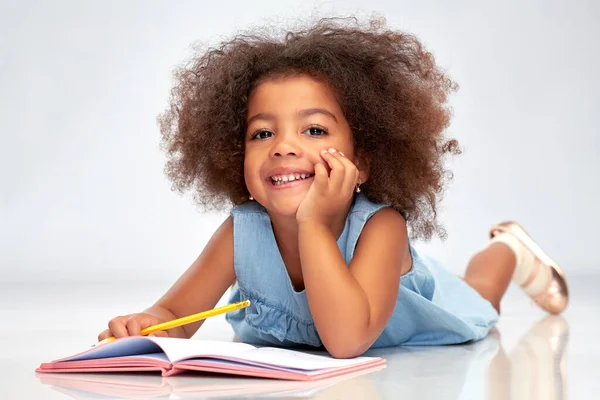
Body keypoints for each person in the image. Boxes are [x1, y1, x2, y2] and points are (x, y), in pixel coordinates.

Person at [98, 17, 568, 358]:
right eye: (262, 133)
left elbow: (346, 342)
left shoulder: (382, 227)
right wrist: (147, 325)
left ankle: (509, 247)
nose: (283, 147)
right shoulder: (241, 231)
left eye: (315, 130)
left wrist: (315, 225)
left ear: (362, 160)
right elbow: (176, 312)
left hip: (421, 312)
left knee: (481, 292)